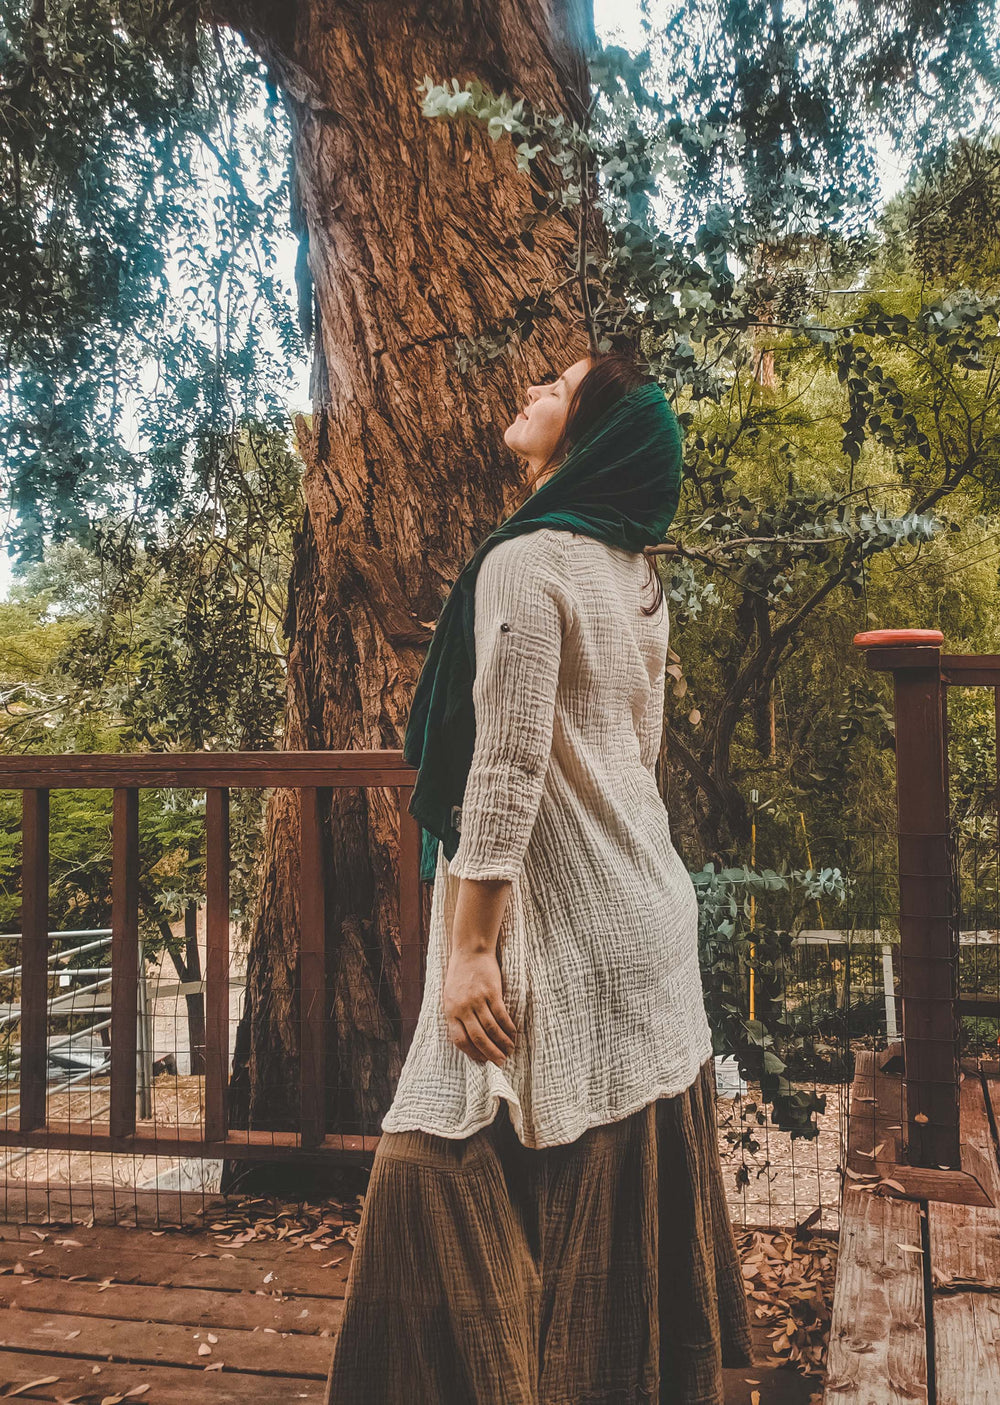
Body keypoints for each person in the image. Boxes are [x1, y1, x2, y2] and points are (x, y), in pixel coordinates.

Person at [324, 349, 753, 1404]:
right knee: (577, 1182)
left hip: (552, 929)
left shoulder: (528, 563)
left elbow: (505, 767)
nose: (528, 393)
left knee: (428, 1160)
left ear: (592, 433)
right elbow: (635, 757)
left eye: (555, 390)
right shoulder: (636, 576)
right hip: (646, 919)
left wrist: (468, 949)